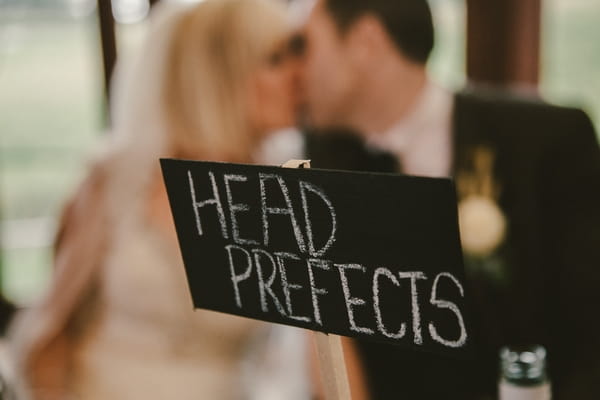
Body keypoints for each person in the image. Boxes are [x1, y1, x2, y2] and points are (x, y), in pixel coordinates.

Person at [299, 0, 600, 398]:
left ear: (365, 42)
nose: (297, 71)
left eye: (306, 47)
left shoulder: (547, 139)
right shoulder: (320, 164)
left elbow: (590, 328)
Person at [8, 1, 309, 399]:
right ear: (219, 75)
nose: (298, 75)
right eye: (275, 59)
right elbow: (52, 334)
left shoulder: (281, 199)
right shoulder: (117, 179)